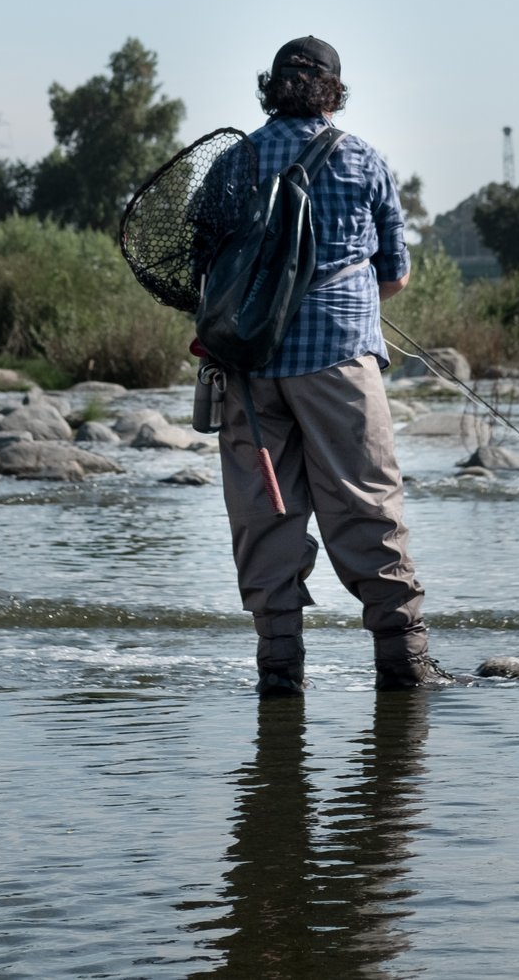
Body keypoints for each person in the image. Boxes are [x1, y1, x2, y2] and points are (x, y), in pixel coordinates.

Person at [204, 35, 450, 694]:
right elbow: (394, 276)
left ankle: (279, 671)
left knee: (264, 516)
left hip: (248, 371)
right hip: (339, 357)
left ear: (272, 86)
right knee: (367, 505)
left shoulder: (235, 161)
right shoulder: (363, 159)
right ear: (333, 92)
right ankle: (404, 665)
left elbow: (204, 271)